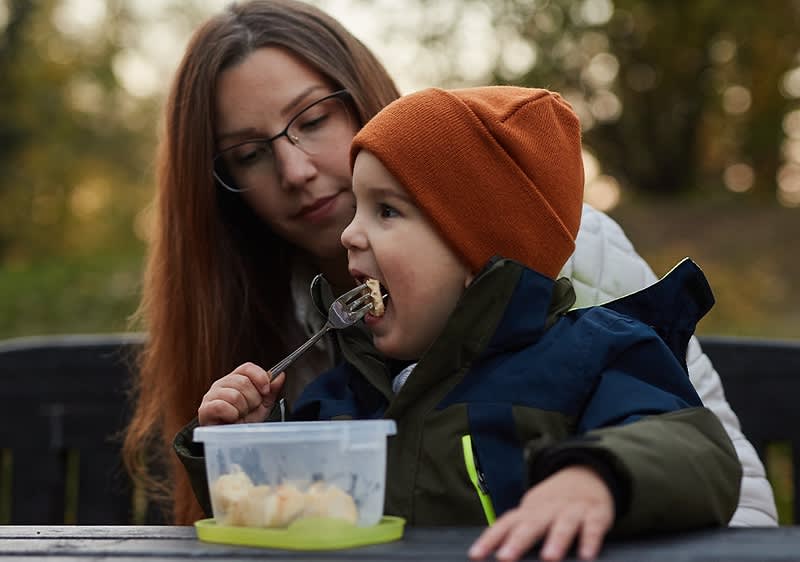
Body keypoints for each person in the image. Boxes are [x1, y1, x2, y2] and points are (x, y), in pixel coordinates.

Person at [123, 0, 776, 527]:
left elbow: (705, 462)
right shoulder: (348, 381)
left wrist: (597, 476)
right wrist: (244, 451)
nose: (295, 171)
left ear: (476, 239)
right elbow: (292, 511)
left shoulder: (589, 343)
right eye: (248, 154)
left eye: (315, 119)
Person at [187, 85, 742, 562]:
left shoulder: (593, 357)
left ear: (480, 255)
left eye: (386, 211)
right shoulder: (344, 397)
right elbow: (285, 521)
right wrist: (242, 455)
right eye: (357, 208)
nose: (350, 235)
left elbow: (696, 449)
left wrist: (594, 477)